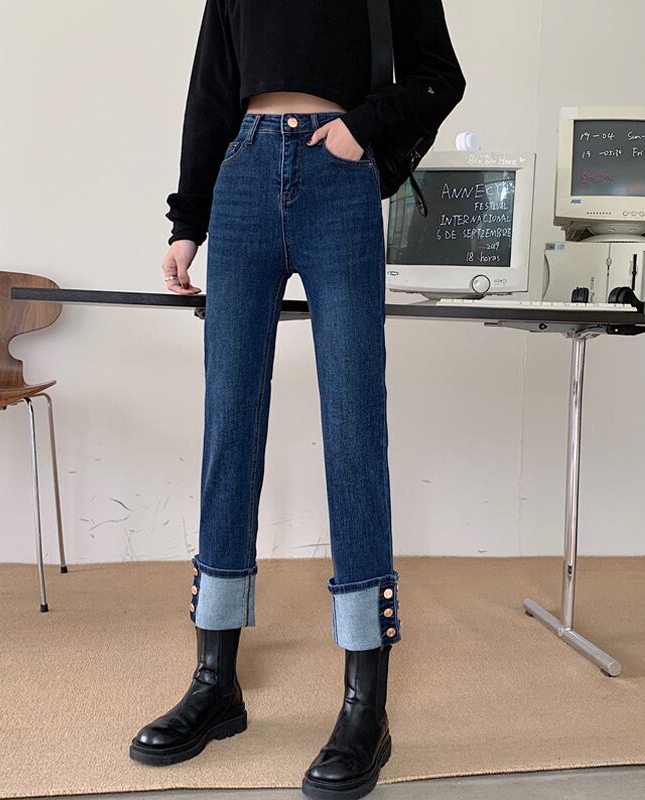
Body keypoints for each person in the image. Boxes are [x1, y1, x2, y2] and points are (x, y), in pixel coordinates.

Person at [129, 1, 465, 797]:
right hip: (243, 176)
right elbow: (212, 86)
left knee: (354, 429)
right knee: (229, 425)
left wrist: (362, 128)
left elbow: (438, 75)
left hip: (338, 180)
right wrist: (187, 222)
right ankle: (215, 682)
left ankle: (365, 704)